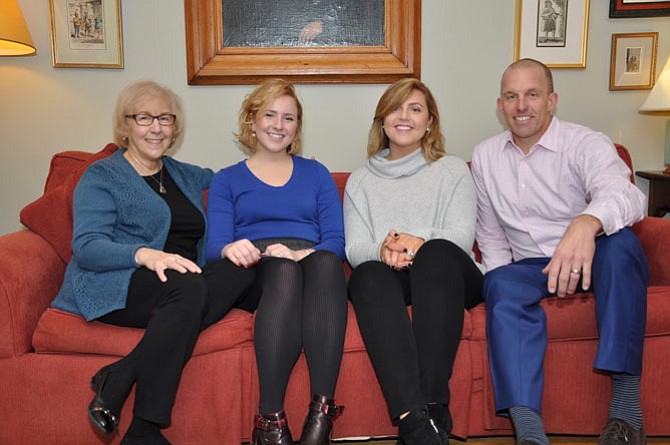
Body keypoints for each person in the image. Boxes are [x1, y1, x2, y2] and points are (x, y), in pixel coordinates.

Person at [51, 80, 254, 445]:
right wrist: (145, 254)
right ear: (124, 125)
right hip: (116, 282)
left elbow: (238, 181)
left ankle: (123, 373)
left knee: (239, 268)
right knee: (189, 287)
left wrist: (292, 170)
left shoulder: (185, 174)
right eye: (143, 117)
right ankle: (144, 427)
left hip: (181, 283)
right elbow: (87, 246)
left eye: (164, 118)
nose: (156, 127)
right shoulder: (101, 176)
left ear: (175, 127)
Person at [471, 58, 649, 445]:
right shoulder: (485, 156)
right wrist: (498, 277)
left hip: (594, 254)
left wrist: (587, 223)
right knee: (498, 282)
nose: (522, 106)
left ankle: (625, 417)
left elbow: (627, 196)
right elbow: (491, 234)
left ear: (552, 100)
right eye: (512, 96)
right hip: (531, 267)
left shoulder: (586, 143)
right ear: (500, 106)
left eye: (532, 95)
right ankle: (530, 433)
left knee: (622, 247)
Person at [205, 78, 347, 445]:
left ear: (297, 127)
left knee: (328, 262)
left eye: (288, 118)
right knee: (284, 272)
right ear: (251, 120)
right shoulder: (227, 180)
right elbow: (214, 247)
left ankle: (322, 412)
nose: (278, 125)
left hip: (310, 261)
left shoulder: (316, 174)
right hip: (256, 268)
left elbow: (335, 241)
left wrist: (301, 253)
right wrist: (233, 249)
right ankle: (269, 420)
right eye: (269, 115)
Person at [343, 78, 485, 445]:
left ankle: (435, 402)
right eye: (395, 108)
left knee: (435, 252)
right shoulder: (360, 182)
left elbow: (459, 237)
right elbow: (355, 247)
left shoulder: (452, 170)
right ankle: (414, 421)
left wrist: (415, 241)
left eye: (415, 109)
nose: (403, 116)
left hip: (450, 277)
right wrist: (382, 250)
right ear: (382, 121)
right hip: (393, 278)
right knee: (364, 276)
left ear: (430, 123)